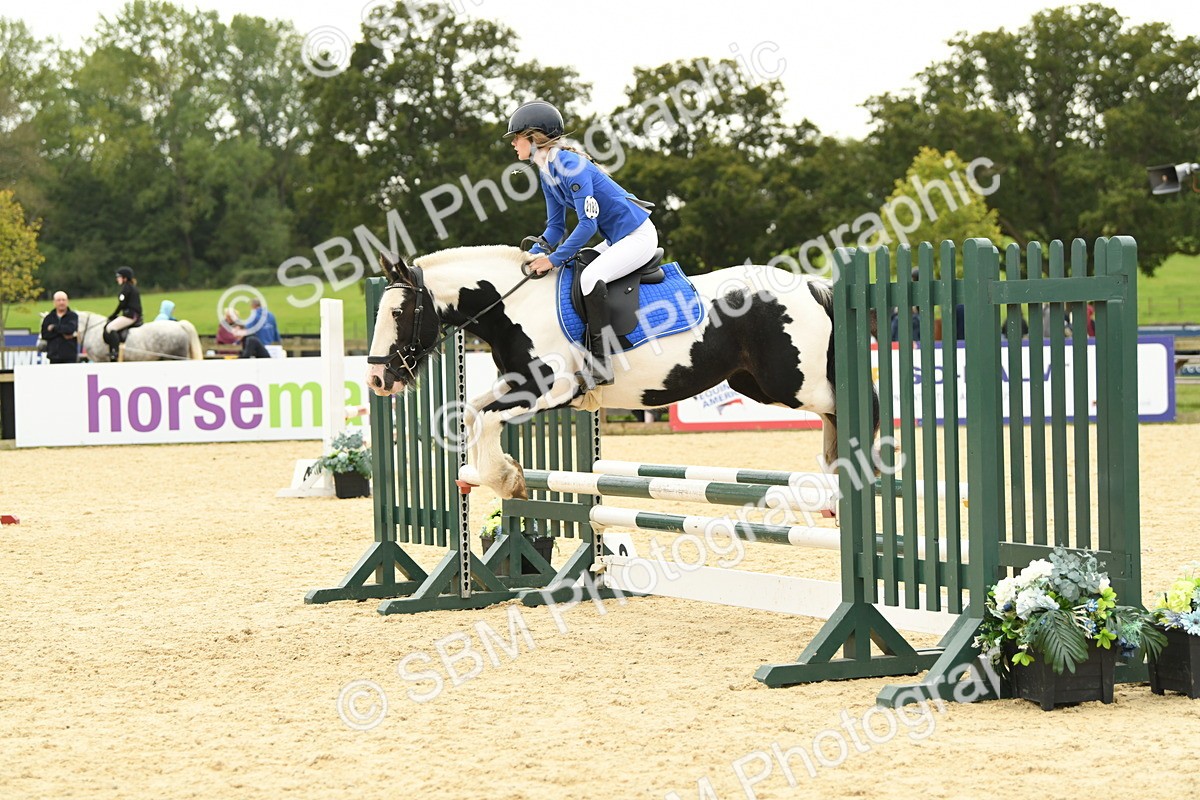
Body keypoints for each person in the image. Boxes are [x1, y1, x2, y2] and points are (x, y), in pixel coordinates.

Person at [505, 100, 658, 387]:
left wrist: (553, 259)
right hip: (616, 240)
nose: (513, 143)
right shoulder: (546, 172)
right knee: (573, 270)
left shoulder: (571, 166)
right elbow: (555, 228)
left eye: (516, 137)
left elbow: (588, 225)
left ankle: (601, 364)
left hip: (638, 236)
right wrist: (530, 256)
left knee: (590, 277)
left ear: (534, 137)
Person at [104, 266, 143, 361]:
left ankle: (115, 352)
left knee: (110, 327)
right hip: (132, 315)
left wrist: (113, 315)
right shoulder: (130, 287)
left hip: (130, 316)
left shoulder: (126, 288)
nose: (117, 279)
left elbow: (121, 304)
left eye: (119, 277)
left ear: (125, 278)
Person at [40, 291, 79, 364]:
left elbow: (70, 329)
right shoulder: (48, 318)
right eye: (58, 300)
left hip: (70, 357)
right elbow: (45, 334)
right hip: (53, 357)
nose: (61, 302)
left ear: (67, 301)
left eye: (63, 300)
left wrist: (54, 328)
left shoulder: (73, 316)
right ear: (54, 302)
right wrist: (63, 333)